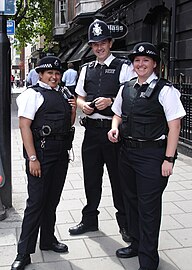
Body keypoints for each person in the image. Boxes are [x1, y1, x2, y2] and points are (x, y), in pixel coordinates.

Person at [108, 42, 186, 270]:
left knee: (148, 208)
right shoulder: (126, 88)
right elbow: (117, 114)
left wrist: (169, 159)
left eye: (146, 61)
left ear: (154, 65)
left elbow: (175, 127)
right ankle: (136, 243)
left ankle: (148, 260)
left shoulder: (166, 90)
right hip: (127, 154)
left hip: (153, 156)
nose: (140, 64)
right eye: (137, 61)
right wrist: (114, 128)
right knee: (130, 202)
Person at [68, 19, 136, 242]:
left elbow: (131, 97)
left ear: (110, 42)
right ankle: (90, 220)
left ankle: (125, 223)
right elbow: (78, 97)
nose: (99, 47)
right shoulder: (86, 68)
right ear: (91, 46)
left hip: (114, 132)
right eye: (95, 44)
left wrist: (112, 100)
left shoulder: (123, 67)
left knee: (119, 180)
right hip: (91, 133)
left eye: (103, 43)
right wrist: (82, 106)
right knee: (91, 178)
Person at [11, 56, 77, 270]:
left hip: (60, 155)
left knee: (52, 201)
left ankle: (47, 240)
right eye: (50, 73)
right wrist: (32, 158)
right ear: (40, 74)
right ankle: (23, 252)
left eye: (57, 73)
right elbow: (24, 127)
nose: (54, 77)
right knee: (36, 203)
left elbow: (69, 123)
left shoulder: (62, 93)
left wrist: (73, 109)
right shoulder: (32, 94)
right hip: (41, 155)